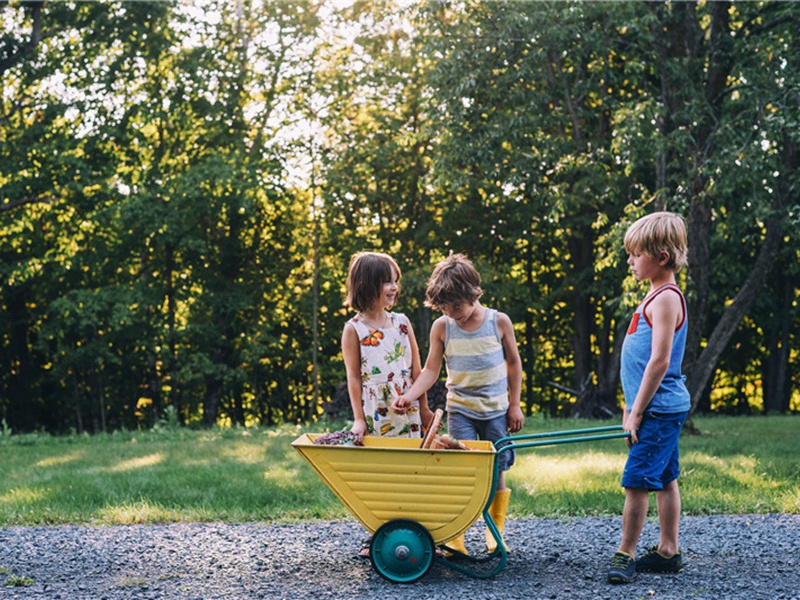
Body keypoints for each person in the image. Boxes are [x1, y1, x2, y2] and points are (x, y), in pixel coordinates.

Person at [393, 253, 524, 556]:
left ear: (473, 293)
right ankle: (456, 535)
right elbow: (430, 371)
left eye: (456, 306)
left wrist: (514, 406)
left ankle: (495, 533)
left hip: (495, 411)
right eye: (444, 307)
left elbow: (514, 364)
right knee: (461, 473)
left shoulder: (498, 322)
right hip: (461, 409)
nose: (451, 313)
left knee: (497, 470)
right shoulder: (442, 327)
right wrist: (410, 396)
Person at [607, 211, 691, 584]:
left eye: (635, 254)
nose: (629, 261)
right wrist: (630, 404)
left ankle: (625, 554)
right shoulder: (656, 295)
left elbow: (658, 359)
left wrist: (637, 411)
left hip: (657, 409)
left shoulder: (666, 298)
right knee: (666, 476)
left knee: (637, 480)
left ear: (661, 257)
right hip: (657, 407)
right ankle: (668, 551)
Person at [341, 251, 434, 557]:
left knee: (413, 472)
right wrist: (358, 419)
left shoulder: (402, 322)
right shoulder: (353, 329)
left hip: (407, 409)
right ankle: (379, 534)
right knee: (383, 474)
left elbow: (417, 370)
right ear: (368, 284)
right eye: (387, 281)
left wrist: (423, 408)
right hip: (376, 412)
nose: (394, 287)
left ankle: (421, 533)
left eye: (396, 281)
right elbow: (354, 378)